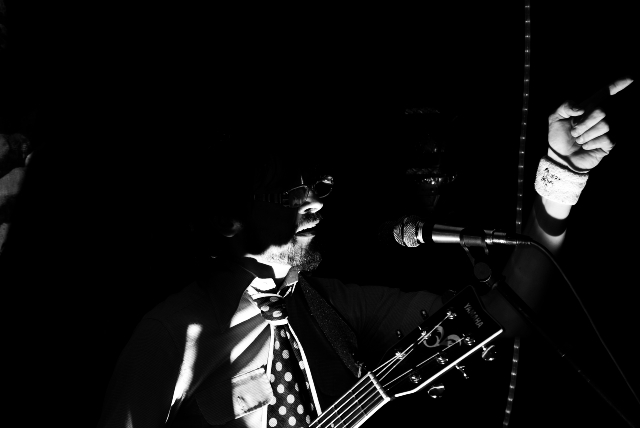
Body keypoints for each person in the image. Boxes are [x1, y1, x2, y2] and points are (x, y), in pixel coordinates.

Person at [96, 78, 632, 428]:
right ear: (226, 219)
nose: (315, 201)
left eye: (318, 185)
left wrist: (562, 182)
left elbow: (504, 316)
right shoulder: (172, 333)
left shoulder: (331, 307)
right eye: (288, 191)